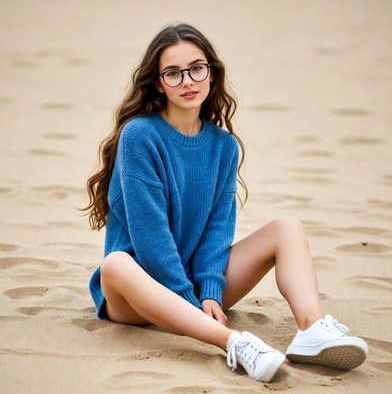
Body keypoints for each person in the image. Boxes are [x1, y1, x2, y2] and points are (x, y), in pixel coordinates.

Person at [83, 23, 368, 383]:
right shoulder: (140, 136)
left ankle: (311, 328)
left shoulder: (223, 146)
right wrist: (190, 300)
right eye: (173, 73)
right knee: (115, 264)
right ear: (158, 83)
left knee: (287, 229)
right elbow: (150, 236)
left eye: (196, 68)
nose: (187, 81)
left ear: (211, 74)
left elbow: (218, 230)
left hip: (201, 297)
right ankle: (235, 343)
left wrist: (212, 293)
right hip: (137, 295)